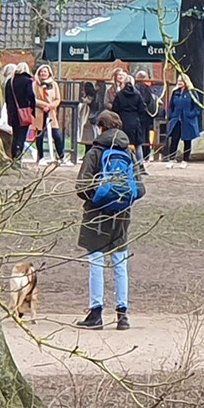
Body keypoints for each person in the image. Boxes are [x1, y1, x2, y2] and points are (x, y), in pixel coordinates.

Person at [75, 110, 144, 330]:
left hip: (96, 214)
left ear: (101, 127)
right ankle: (122, 314)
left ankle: (96, 313)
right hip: (122, 216)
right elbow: (140, 188)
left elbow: (81, 186)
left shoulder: (95, 151)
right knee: (120, 262)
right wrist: (122, 200)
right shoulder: (129, 152)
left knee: (96, 261)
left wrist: (98, 197)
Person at [110, 71, 149, 173]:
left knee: (122, 144)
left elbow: (115, 109)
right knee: (138, 145)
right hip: (135, 122)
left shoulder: (120, 95)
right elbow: (142, 109)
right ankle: (140, 167)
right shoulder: (137, 94)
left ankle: (122, 165)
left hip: (123, 122)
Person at [165, 74, 203, 168]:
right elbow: (171, 106)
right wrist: (171, 115)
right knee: (174, 139)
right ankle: (171, 159)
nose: (179, 82)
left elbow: (197, 107)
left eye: (181, 81)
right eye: (178, 80)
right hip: (176, 119)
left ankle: (185, 160)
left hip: (187, 120)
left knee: (187, 140)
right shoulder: (175, 92)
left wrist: (191, 114)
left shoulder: (192, 92)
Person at [3, 62, 38, 163]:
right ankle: (18, 156)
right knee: (22, 136)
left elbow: (7, 97)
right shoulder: (28, 81)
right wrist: (32, 110)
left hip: (13, 113)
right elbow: (31, 96)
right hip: (24, 112)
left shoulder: (10, 81)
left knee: (15, 134)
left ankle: (14, 156)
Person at [33, 64, 67, 166]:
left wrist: (51, 106)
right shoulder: (35, 85)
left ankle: (61, 156)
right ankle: (41, 157)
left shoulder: (54, 84)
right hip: (40, 112)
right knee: (39, 135)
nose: (43, 73)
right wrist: (44, 105)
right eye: (41, 71)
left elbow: (57, 98)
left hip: (51, 113)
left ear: (49, 73)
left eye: (45, 71)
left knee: (56, 135)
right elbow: (34, 99)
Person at [133, 69, 159, 161]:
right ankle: (146, 154)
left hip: (138, 115)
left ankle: (139, 155)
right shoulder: (148, 89)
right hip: (147, 116)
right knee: (146, 135)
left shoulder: (135, 88)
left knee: (139, 136)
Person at [78, 81, 103, 151]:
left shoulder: (89, 99)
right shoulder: (96, 97)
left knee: (88, 139)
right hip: (92, 120)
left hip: (89, 120)